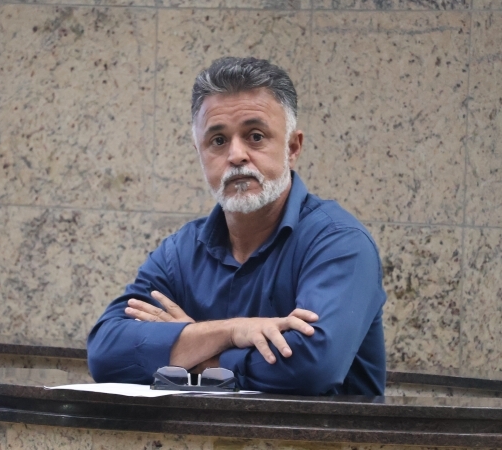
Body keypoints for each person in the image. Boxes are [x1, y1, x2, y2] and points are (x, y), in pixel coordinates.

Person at [87, 57, 386, 396]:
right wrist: (232, 332)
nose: (236, 155)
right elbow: (106, 353)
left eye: (255, 136)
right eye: (218, 141)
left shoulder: (339, 243)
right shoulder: (179, 254)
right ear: (199, 153)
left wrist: (198, 356)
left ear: (292, 148)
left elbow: (312, 366)